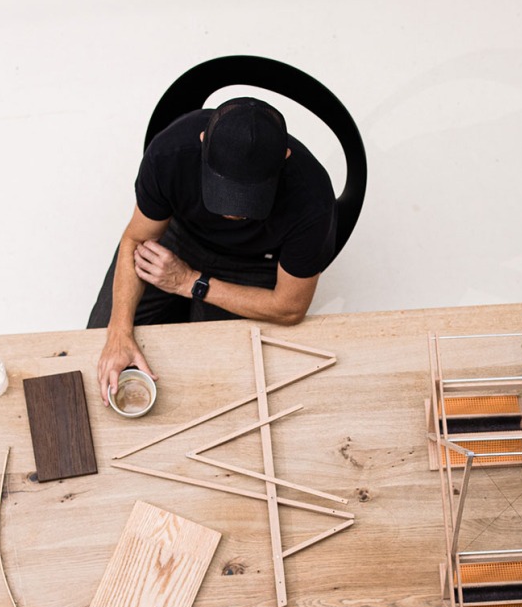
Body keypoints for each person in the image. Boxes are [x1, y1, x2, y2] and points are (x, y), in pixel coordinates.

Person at [89, 96, 338, 404]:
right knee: (100, 354)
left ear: (285, 156)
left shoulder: (311, 197)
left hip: (255, 262)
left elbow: (290, 307)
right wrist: (119, 332)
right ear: (203, 141)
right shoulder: (171, 152)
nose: (232, 212)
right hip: (179, 237)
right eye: (223, 190)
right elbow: (135, 241)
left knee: (215, 386)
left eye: (248, 198)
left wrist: (189, 283)